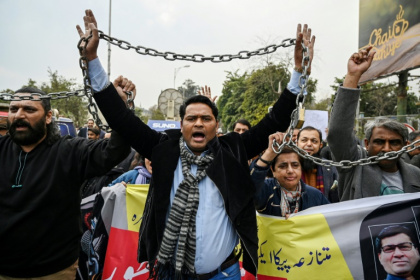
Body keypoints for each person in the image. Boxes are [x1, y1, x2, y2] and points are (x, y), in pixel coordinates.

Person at [77, 9, 314, 279]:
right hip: (169, 272)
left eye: (206, 118)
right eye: (191, 118)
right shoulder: (163, 150)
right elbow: (121, 119)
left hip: (223, 273)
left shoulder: (232, 149)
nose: (199, 123)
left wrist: (298, 71)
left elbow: (275, 120)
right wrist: (93, 59)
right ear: (182, 126)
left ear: (216, 126)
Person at [0, 87, 130, 279]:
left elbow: (115, 150)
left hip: (54, 271)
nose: (19, 115)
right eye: (14, 109)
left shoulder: (69, 150)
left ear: (48, 116)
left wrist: (117, 105)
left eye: (29, 109)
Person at [327, 46, 420, 201]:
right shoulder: (355, 167)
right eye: (379, 142)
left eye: (395, 143)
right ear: (366, 143)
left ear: (406, 145)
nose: (387, 149)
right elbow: (338, 133)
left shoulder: (416, 175)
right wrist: (353, 76)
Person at [251, 132, 329, 217]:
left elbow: (332, 220)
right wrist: (269, 152)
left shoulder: (315, 196)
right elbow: (249, 189)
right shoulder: (266, 191)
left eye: (295, 165)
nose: (290, 170)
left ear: (301, 168)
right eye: (283, 166)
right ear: (273, 170)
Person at [296, 126, 339, 202]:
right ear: (297, 143)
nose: (309, 144)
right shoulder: (289, 167)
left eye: (314, 141)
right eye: (304, 140)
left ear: (320, 145)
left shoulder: (331, 168)